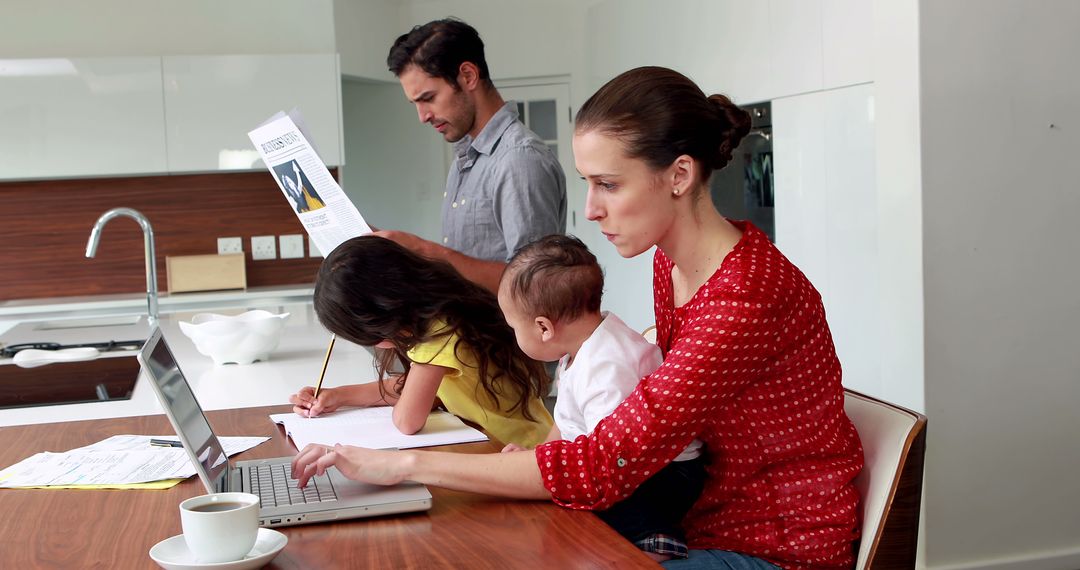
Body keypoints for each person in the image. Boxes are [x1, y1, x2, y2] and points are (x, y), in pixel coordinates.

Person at [292, 67, 864, 570]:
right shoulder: (677, 266)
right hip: (702, 518)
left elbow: (598, 466)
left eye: (608, 185)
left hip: (773, 546)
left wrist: (400, 468)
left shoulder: (745, 297)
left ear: (679, 175)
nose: (591, 209)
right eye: (589, 183)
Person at [497, 234, 706, 562]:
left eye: (513, 328)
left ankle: (654, 536)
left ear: (543, 328)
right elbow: (565, 424)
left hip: (664, 476)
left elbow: (610, 463)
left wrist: (550, 480)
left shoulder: (606, 367)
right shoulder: (582, 344)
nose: (513, 335)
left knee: (596, 513)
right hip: (634, 463)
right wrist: (535, 458)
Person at [288, 235, 553, 448]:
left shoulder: (439, 335)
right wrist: (337, 396)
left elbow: (407, 420)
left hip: (526, 452)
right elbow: (420, 391)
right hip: (502, 446)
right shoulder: (441, 314)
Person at [375, 18, 567, 294]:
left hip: (507, 338)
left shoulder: (519, 160)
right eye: (415, 103)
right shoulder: (466, 157)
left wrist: (427, 251)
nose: (422, 116)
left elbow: (535, 283)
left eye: (428, 98)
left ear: (467, 76)